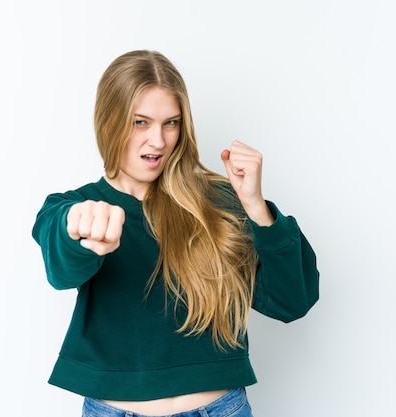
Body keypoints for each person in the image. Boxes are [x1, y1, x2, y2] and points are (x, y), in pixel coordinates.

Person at [32, 50, 319, 417]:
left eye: (170, 123)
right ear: (109, 121)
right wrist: (79, 228)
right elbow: (61, 268)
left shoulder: (219, 201)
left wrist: (256, 208)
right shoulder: (74, 207)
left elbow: (293, 301)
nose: (158, 141)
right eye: (140, 122)